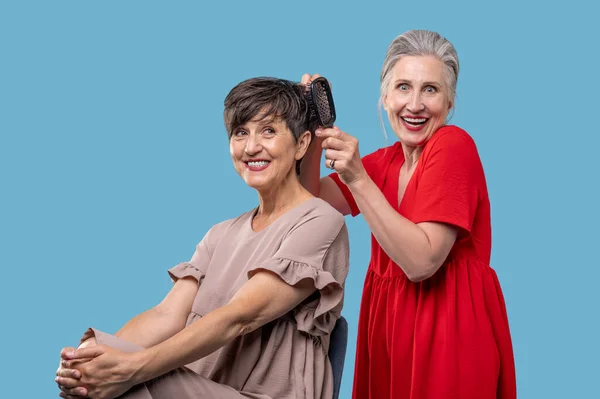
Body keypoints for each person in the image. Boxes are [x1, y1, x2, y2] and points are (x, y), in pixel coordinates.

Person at [55, 77, 350, 399]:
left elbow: (240, 317)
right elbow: (166, 315)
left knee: (132, 379)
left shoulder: (321, 220)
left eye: (268, 131)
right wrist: (100, 359)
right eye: (240, 133)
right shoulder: (221, 233)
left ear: (302, 144)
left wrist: (131, 367)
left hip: (266, 395)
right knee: (92, 356)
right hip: (203, 387)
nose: (251, 147)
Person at [300, 30, 516, 398]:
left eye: (430, 89)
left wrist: (357, 179)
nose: (414, 104)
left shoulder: (453, 146)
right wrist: (315, 132)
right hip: (388, 332)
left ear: (449, 103)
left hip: (449, 332)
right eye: (403, 87)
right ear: (385, 98)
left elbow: (421, 262)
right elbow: (305, 202)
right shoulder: (383, 164)